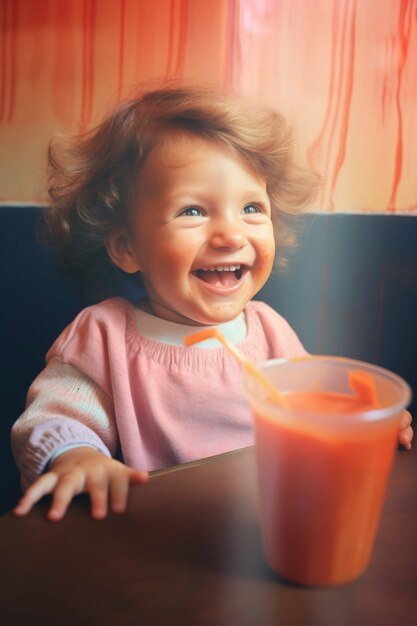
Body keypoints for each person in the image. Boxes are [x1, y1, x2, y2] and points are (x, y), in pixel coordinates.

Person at [11, 85, 413, 522]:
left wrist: (363, 428)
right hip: (156, 541)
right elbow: (51, 419)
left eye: (252, 208)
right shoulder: (105, 336)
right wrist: (76, 456)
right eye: (193, 211)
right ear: (127, 247)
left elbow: (314, 416)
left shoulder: (270, 331)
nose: (232, 236)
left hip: (266, 528)